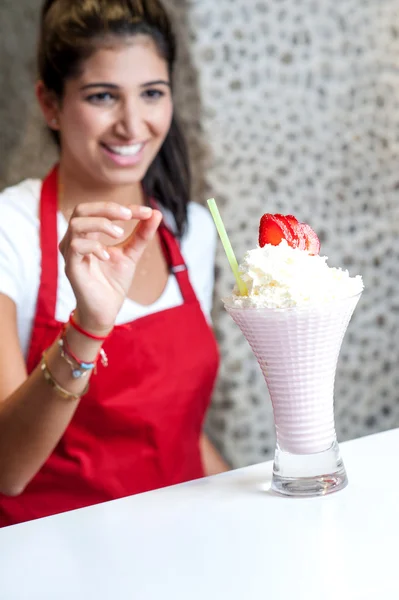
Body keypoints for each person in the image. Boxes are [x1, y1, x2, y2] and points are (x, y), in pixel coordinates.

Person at [0, 0, 228, 527]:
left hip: (181, 543)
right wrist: (88, 326)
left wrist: (250, 509)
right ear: (50, 104)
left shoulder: (186, 226)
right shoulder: (11, 232)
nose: (132, 124)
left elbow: (178, 434)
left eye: (152, 93)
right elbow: (7, 469)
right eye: (103, 96)